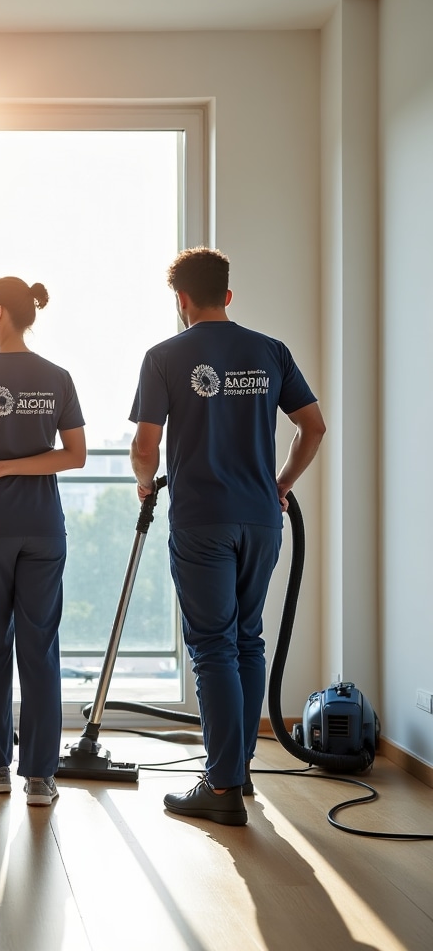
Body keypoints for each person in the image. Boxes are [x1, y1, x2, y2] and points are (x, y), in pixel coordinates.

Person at [129, 247, 326, 826]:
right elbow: (312, 425)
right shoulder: (270, 351)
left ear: (181, 300)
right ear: (228, 296)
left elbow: (145, 447)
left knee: (213, 646)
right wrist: (281, 483)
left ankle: (220, 787)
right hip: (262, 518)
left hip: (202, 519)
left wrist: (145, 484)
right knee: (248, 640)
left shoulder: (164, 356)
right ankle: (235, 771)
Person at [0, 276, 86, 806]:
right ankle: (41, 778)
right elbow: (73, 456)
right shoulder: (59, 378)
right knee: (40, 649)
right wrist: (15, 466)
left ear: (1, 312)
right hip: (45, 527)